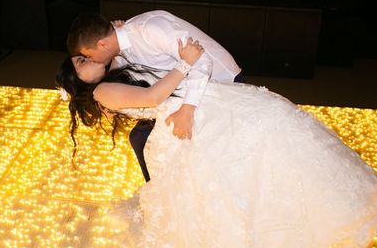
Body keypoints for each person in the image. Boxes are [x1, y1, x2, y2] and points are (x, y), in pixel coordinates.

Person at [55, 39, 377, 248]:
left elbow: (125, 55)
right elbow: (153, 95)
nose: (88, 59)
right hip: (185, 121)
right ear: (78, 82)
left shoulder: (112, 72)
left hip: (202, 106)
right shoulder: (101, 92)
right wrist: (185, 61)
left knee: (260, 154)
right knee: (228, 184)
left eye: (84, 56)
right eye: (81, 63)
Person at [66, 10, 244, 182]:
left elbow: (202, 60)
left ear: (102, 44)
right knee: (142, 139)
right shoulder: (118, 50)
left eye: (88, 55)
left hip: (220, 82)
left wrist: (187, 109)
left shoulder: (150, 30)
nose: (91, 60)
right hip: (179, 95)